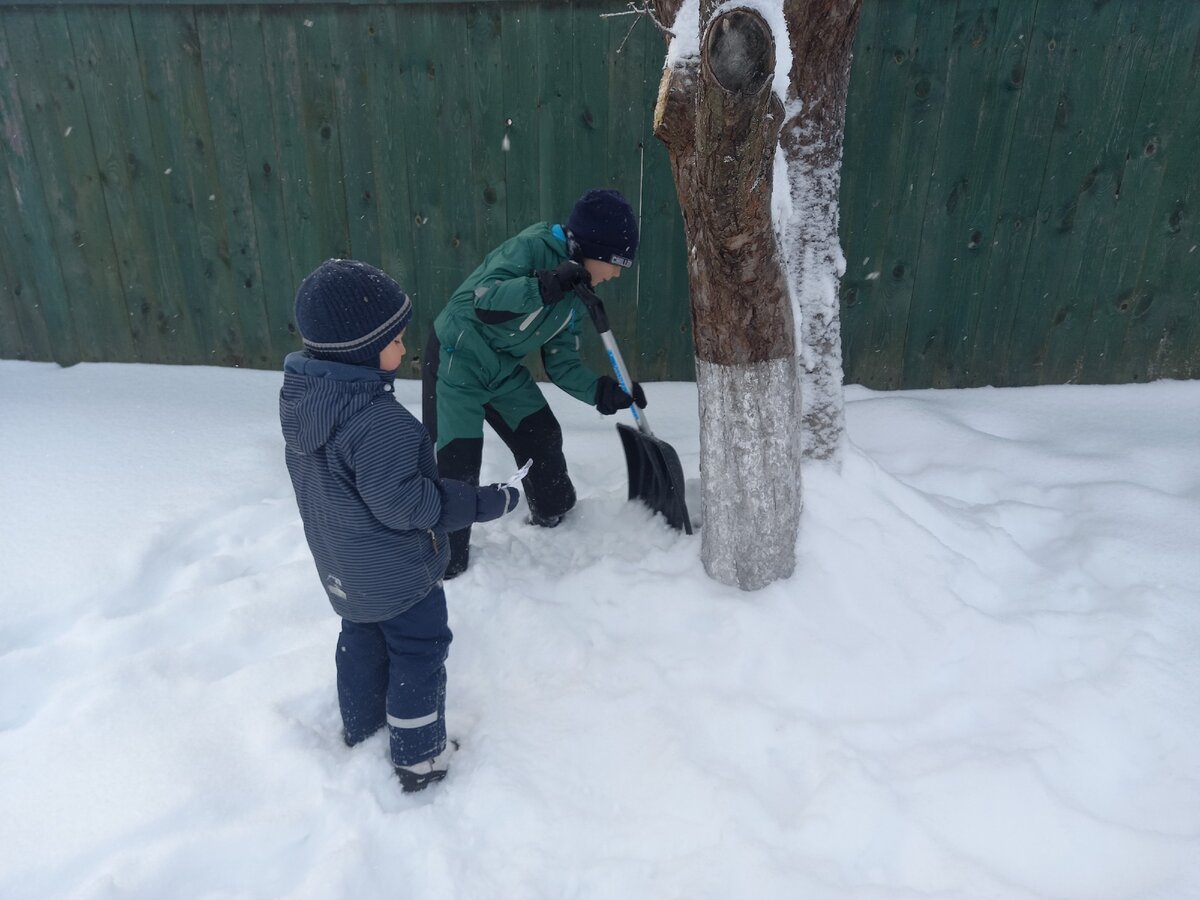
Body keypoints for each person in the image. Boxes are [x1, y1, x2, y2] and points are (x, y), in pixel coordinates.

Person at [280, 259, 521, 792]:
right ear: (361, 350)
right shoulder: (377, 422)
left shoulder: (307, 403)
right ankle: (418, 759)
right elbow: (408, 506)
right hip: (398, 575)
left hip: (344, 568)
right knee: (419, 651)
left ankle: (362, 728)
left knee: (361, 641)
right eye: (394, 339)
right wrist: (478, 504)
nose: (404, 347)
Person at [422, 188, 648, 578]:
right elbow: (484, 300)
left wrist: (603, 392)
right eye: (615, 263)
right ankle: (444, 559)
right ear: (591, 248)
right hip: (457, 359)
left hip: (500, 368)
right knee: (457, 465)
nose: (616, 274)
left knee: (541, 434)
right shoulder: (531, 249)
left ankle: (553, 512)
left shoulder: (578, 291)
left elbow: (561, 361)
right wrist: (544, 285)